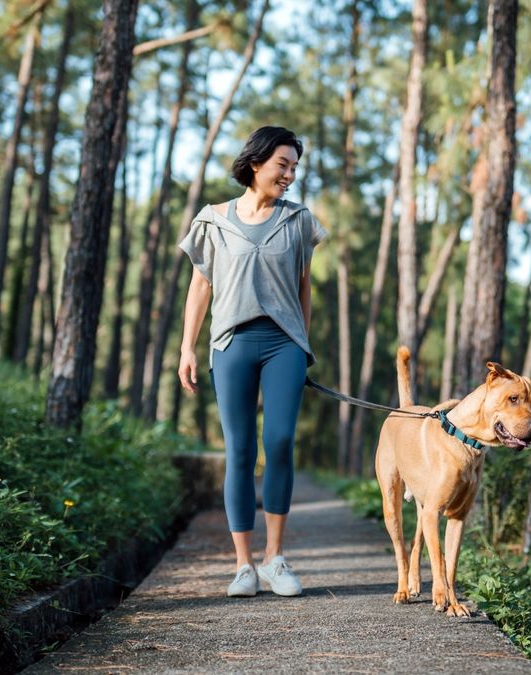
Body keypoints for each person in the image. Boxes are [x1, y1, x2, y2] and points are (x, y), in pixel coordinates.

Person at [176, 126, 327, 598]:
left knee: (279, 442)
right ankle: (243, 565)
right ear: (257, 162)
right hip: (231, 345)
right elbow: (201, 286)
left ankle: (274, 559)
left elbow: (304, 285)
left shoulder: (298, 220)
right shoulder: (213, 220)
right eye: (283, 164)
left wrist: (302, 344)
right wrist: (187, 347)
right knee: (240, 451)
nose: (290, 175)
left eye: (295, 168)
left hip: (283, 344)